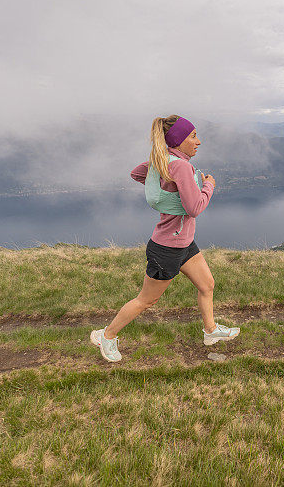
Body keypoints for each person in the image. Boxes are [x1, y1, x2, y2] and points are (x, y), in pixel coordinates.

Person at [90, 115, 240, 362]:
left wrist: (164, 178)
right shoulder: (181, 166)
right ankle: (106, 335)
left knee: (207, 285)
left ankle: (211, 331)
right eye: (193, 136)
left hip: (184, 244)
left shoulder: (167, 162)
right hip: (167, 249)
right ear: (178, 140)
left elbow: (137, 174)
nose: (198, 141)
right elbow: (194, 208)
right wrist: (209, 185)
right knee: (146, 301)